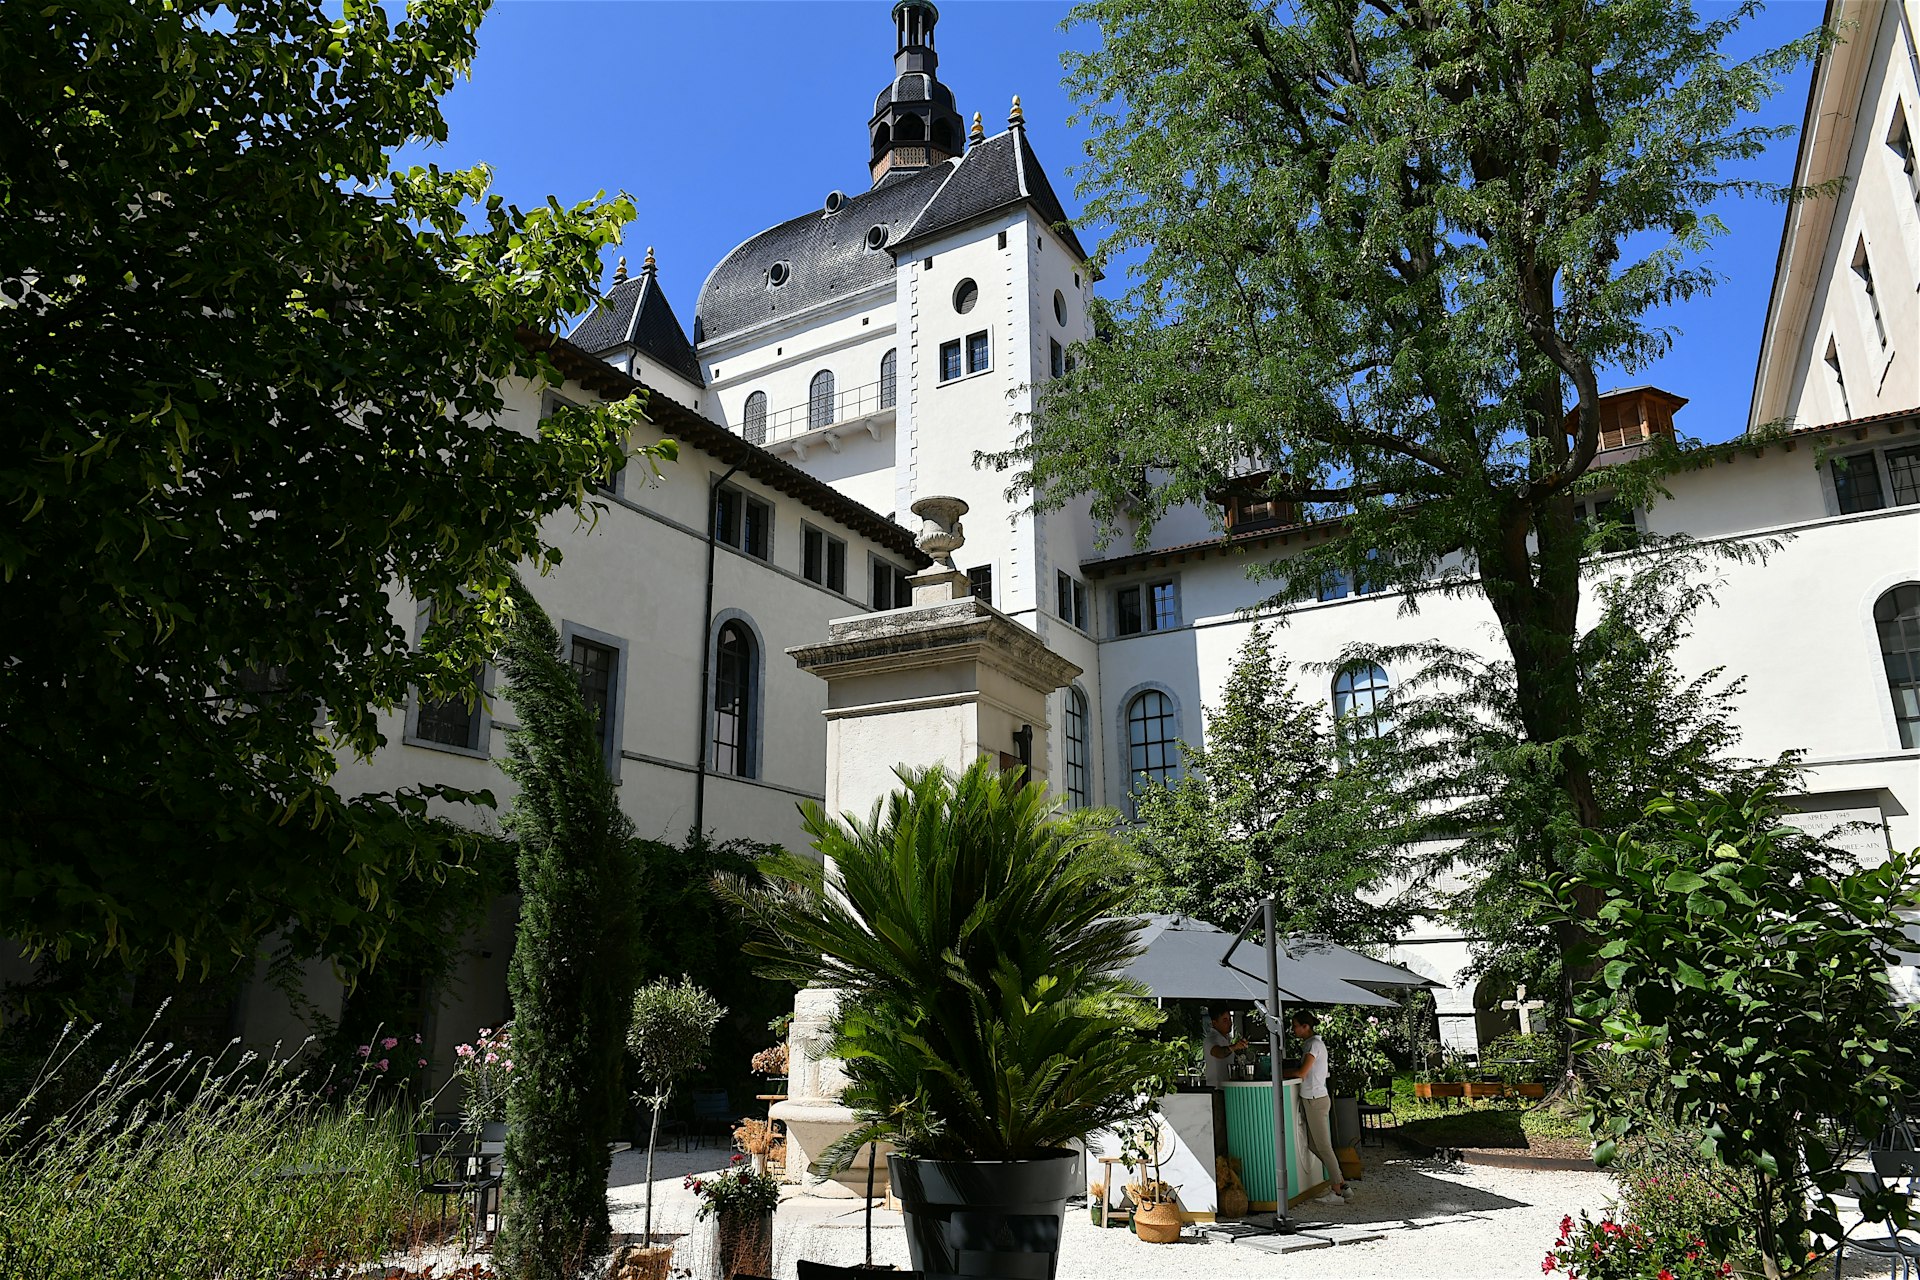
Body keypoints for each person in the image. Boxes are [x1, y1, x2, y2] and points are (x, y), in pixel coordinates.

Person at [1285, 1010, 1351, 1204]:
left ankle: (1337, 1191)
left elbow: (1302, 1072)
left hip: (1315, 1099)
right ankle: (1342, 1183)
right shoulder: (1311, 1043)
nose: (1293, 1029)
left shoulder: (1313, 1044)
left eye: (1296, 1025)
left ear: (1306, 1026)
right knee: (1315, 1145)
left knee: (1323, 1146)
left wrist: (1281, 1072)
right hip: (1313, 1098)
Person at [1202, 1008, 1248, 1087]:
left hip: (1227, 1087)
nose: (1229, 1023)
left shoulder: (1226, 1038)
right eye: (1225, 1020)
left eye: (1230, 1019)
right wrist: (1235, 1047)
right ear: (1214, 1022)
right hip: (1216, 1088)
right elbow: (1218, 1053)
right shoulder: (1211, 1038)